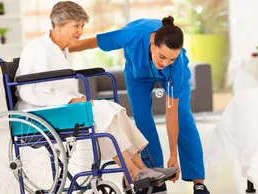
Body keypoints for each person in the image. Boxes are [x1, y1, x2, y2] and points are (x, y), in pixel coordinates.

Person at [14, 1, 177, 189]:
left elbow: (60, 85)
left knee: (113, 109)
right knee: (101, 112)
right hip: (42, 112)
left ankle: (144, 168)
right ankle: (133, 172)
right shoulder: (38, 48)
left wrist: (74, 99)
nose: (81, 32)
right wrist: (70, 100)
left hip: (62, 108)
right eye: (76, 26)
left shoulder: (61, 49)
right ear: (58, 25)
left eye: (82, 26)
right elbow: (28, 89)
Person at [69, 16, 210, 194]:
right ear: (153, 44)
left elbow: (171, 113)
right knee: (143, 120)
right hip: (138, 75)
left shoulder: (176, 64)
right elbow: (93, 42)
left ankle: (198, 181)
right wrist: (60, 48)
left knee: (183, 116)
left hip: (172, 78)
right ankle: (154, 177)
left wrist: (173, 155)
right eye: (162, 57)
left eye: (171, 59)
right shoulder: (132, 35)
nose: (165, 63)